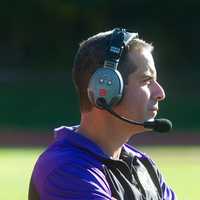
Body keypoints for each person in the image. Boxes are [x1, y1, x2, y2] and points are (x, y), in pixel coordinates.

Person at [28, 28, 177, 200]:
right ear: (105, 90)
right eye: (146, 81)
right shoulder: (66, 169)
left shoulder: (143, 164)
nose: (160, 93)